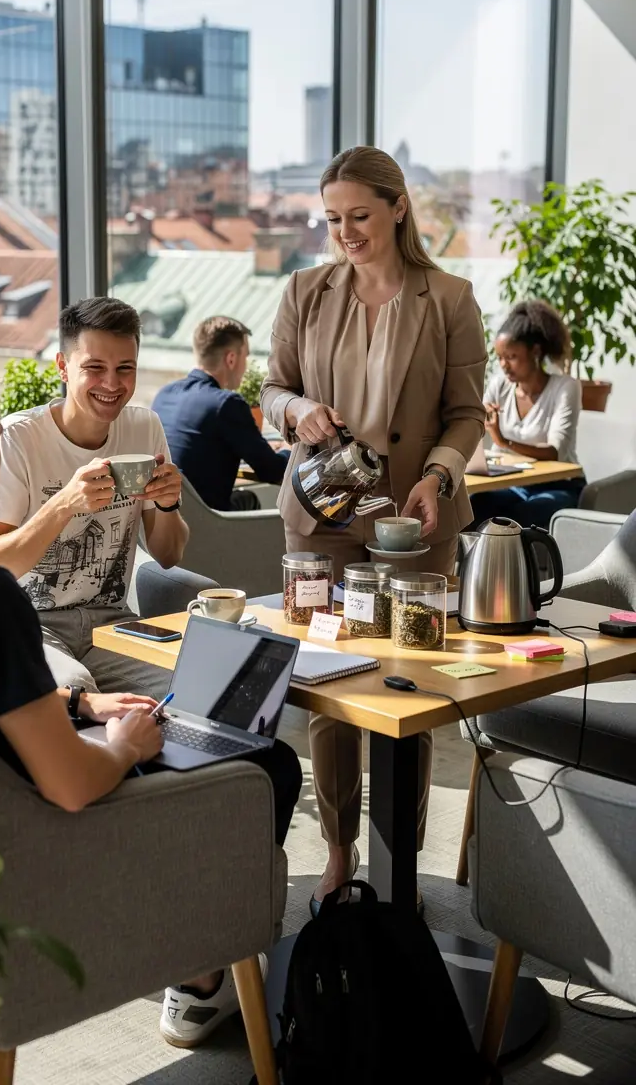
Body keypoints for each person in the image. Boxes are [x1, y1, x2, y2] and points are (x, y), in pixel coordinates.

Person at [0, 350, 302, 1049]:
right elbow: (73, 787)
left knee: (177, 723)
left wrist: (84, 710)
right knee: (267, 766)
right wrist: (126, 746)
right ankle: (201, 971)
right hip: (30, 855)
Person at [261, 145, 487, 916]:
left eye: (359, 215)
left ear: (397, 207)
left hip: (415, 521)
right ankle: (337, 850)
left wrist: (440, 474)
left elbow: (466, 415)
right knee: (330, 687)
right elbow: (271, 389)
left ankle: (399, 857)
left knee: (409, 682)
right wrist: (297, 412)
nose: (345, 232)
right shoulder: (304, 291)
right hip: (322, 515)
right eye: (332, 219)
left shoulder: (449, 297)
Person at [0, 297, 188, 701]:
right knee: (75, 693)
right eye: (95, 368)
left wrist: (167, 504)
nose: (112, 384)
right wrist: (64, 504)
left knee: (199, 688)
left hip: (112, 625)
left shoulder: (145, 427)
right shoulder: (18, 438)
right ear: (62, 367)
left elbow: (169, 555)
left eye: (125, 369)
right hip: (28, 623)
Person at [152, 316, 289, 511]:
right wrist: (287, 448)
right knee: (248, 499)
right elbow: (272, 471)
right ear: (231, 358)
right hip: (207, 525)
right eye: (245, 356)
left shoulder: (164, 394)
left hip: (163, 520)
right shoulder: (226, 404)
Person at [470, 299, 584, 530]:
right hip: (512, 484)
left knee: (519, 515)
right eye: (500, 357)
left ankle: (521, 567)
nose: (504, 365)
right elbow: (474, 427)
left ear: (535, 351)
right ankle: (468, 567)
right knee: (473, 508)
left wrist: (503, 441)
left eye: (511, 357)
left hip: (559, 485)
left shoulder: (565, 387)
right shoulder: (499, 386)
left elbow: (554, 452)